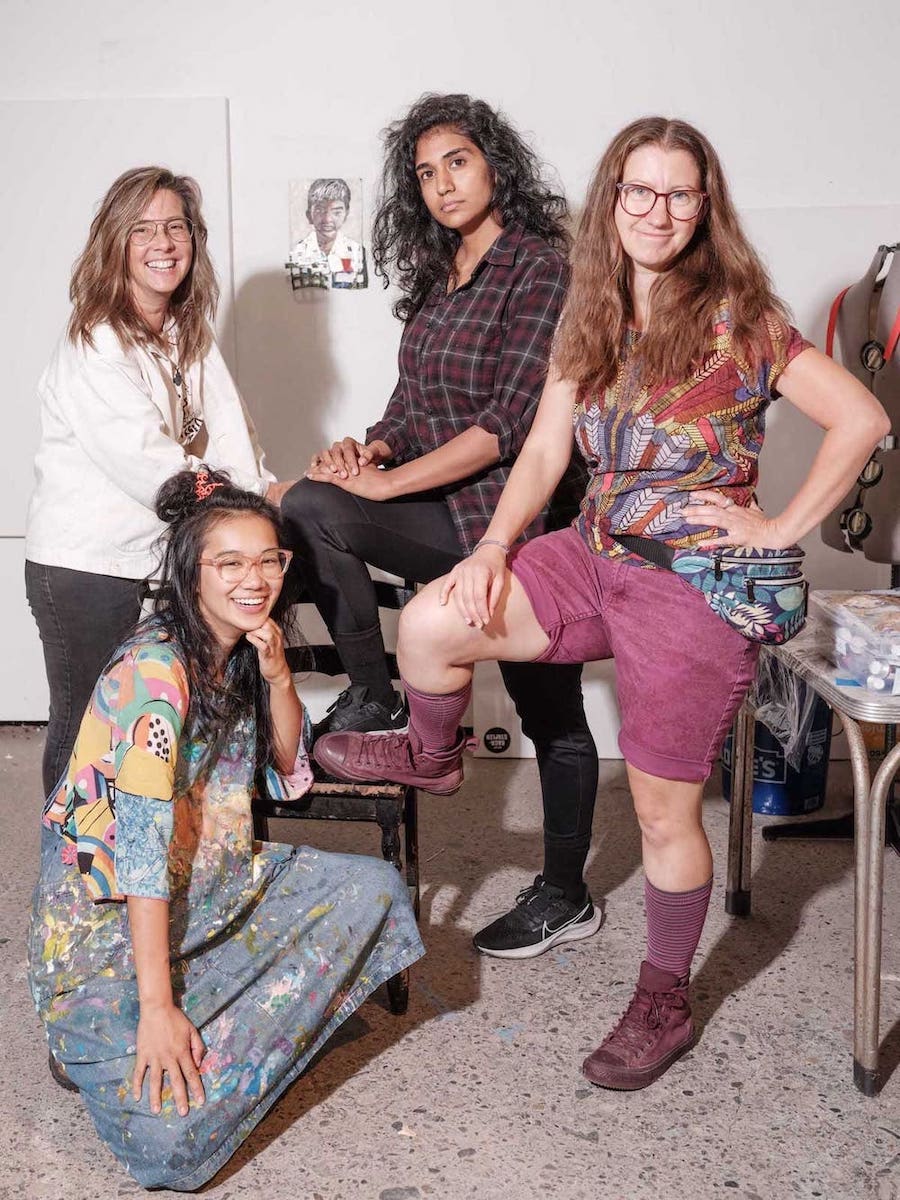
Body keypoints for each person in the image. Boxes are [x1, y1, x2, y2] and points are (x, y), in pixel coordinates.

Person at [313, 116, 890, 1090]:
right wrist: (493, 547)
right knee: (433, 621)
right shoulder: (591, 311)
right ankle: (434, 755)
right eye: (639, 191)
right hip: (591, 554)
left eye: (679, 193)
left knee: (664, 815)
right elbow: (545, 448)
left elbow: (863, 417)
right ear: (612, 199)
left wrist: (780, 526)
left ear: (704, 207)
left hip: (689, 589)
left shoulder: (743, 319)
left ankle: (663, 1001)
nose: (657, 211)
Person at [28, 467, 423, 1191]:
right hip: (110, 931)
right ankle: (137, 1025)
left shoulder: (237, 650)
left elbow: (283, 766)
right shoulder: (155, 672)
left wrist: (278, 678)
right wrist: (156, 1010)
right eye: (231, 563)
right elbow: (139, 854)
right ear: (192, 572)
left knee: (375, 891)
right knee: (170, 1148)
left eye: (270, 560)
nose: (255, 579)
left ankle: (193, 1022)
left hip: (212, 886)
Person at [281, 92, 602, 960]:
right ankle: (377, 693)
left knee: (550, 708)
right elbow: (411, 407)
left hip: (511, 521)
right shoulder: (440, 275)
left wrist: (386, 488)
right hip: (441, 510)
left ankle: (566, 893)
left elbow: (507, 425)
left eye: (457, 162)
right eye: (425, 173)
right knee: (309, 500)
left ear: (495, 164)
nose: (442, 184)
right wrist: (369, 450)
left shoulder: (540, 269)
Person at [25, 166, 289, 798]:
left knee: (145, 722)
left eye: (176, 227)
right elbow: (158, 471)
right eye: (142, 229)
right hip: (85, 569)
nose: (163, 243)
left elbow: (232, 434)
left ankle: (142, 850)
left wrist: (267, 500)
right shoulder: (95, 340)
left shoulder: (185, 332)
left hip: (151, 561)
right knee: (85, 723)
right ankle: (69, 856)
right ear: (115, 242)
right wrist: (243, 506)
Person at [289, 177, 367, 288]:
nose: (327, 219)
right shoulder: (296, 252)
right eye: (320, 210)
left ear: (346, 214)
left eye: (336, 212)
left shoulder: (357, 252)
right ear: (309, 214)